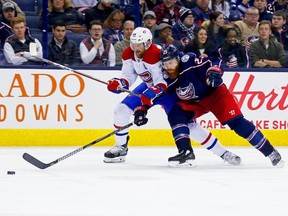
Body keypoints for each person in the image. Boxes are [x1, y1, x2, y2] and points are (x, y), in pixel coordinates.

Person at [104, 27, 241, 166]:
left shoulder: (155, 54)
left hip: (168, 91)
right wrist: (120, 83)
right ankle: (121, 147)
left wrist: (147, 100)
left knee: (188, 125)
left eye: (139, 44)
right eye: (133, 44)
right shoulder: (129, 53)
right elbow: (129, 75)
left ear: (148, 42)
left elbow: (162, 81)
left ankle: (223, 153)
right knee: (121, 109)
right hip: (148, 87)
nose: (135, 48)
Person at [158, 43, 284, 167]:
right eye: (165, 64)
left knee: (237, 123)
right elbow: (151, 92)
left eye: (171, 62)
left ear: (178, 59)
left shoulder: (189, 61)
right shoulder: (164, 77)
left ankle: (271, 152)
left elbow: (214, 61)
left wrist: (214, 71)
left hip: (216, 94)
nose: (169, 67)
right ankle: (185, 152)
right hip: (197, 102)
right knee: (175, 114)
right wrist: (143, 107)